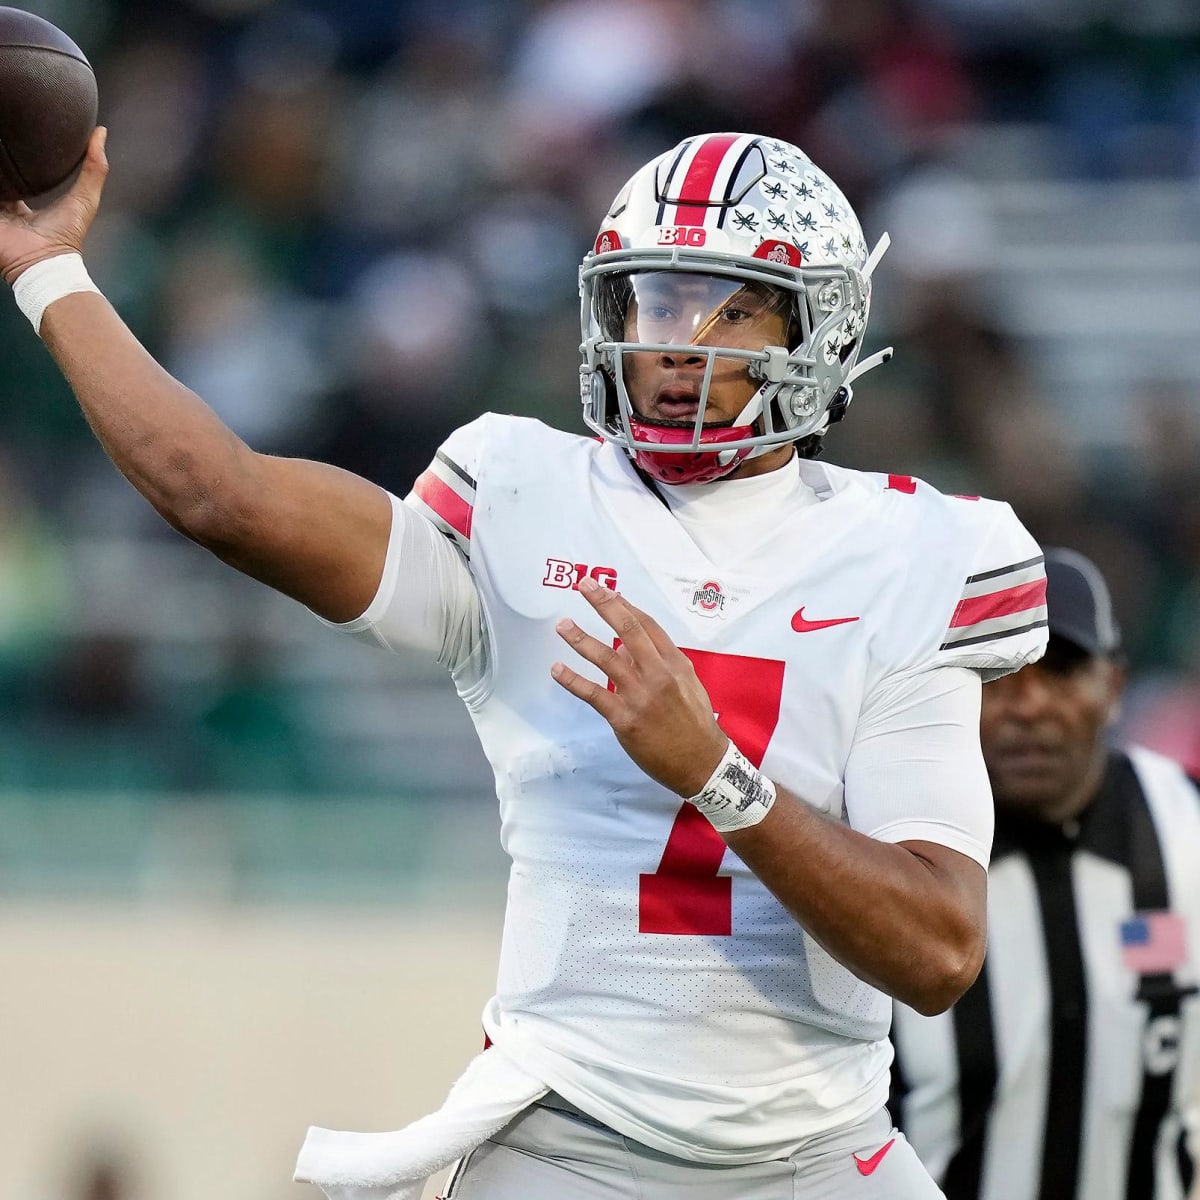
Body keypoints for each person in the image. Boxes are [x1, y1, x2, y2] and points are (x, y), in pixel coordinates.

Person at [1, 130, 1050, 1200]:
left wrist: (714, 775)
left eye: (729, 306)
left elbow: (938, 951)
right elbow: (219, 493)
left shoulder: (914, 553)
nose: (680, 340)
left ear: (818, 323)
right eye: (659, 300)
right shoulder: (518, 494)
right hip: (568, 1148)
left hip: (824, 1157)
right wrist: (47, 268)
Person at [890, 547, 1200, 1200]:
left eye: (1060, 670)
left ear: (1113, 689)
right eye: (998, 672)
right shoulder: (886, 847)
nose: (1028, 705)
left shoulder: (1188, 830)